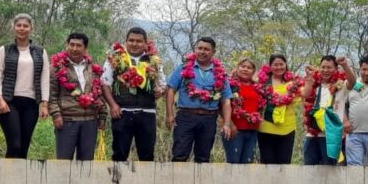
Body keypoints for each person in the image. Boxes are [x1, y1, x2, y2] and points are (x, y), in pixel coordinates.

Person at [101, 27, 166, 162]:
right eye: (131, 40)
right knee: (119, 154)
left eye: (139, 41)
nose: (134, 44)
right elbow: (105, 83)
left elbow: (162, 84)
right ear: (126, 42)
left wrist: (160, 91)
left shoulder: (153, 60)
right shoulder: (114, 58)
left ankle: (145, 177)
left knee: (147, 155)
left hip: (147, 112)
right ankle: (117, 176)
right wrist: (112, 105)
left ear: (146, 43)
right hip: (122, 112)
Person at [0, 14, 50, 159]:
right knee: (15, 145)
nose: (22, 28)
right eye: (18, 25)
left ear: (31, 29)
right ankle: (7, 173)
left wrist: (45, 104)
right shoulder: (4, 50)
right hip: (9, 102)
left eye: (25, 26)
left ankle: (20, 174)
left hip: (31, 104)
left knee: (23, 148)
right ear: (13, 28)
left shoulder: (40, 52)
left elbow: (45, 78)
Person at [166, 36, 232, 163]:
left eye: (206, 49)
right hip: (185, 117)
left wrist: (227, 123)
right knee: (180, 154)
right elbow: (171, 90)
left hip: (209, 118)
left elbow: (226, 100)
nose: (202, 51)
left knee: (203, 157)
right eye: (199, 48)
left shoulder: (221, 73)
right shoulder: (183, 68)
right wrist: (169, 114)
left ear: (213, 52)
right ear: (195, 49)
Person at [49, 32, 105, 161]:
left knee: (86, 162)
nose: (74, 48)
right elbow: (52, 94)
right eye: (71, 44)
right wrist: (56, 114)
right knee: (64, 161)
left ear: (85, 48)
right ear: (67, 45)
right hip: (67, 120)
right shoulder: (56, 67)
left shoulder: (93, 68)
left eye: (78, 45)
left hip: (90, 120)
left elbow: (99, 93)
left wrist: (102, 115)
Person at [301, 55, 347, 166]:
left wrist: (345, 65)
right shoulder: (314, 84)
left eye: (329, 67)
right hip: (312, 134)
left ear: (336, 69)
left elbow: (353, 82)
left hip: (331, 136)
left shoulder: (341, 84)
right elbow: (305, 100)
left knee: (329, 169)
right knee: (309, 167)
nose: (325, 70)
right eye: (323, 67)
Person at [257, 54, 303, 165]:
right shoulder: (262, 82)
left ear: (286, 65)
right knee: (267, 163)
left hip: (287, 129)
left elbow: (305, 94)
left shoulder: (293, 83)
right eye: (275, 65)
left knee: (284, 163)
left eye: (281, 64)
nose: (279, 67)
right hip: (266, 129)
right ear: (270, 66)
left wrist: (310, 79)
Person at [225, 58, 261, 165]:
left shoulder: (258, 87)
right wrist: (230, 124)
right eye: (243, 66)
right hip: (235, 130)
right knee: (234, 163)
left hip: (252, 130)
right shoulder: (230, 84)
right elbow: (222, 106)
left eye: (249, 68)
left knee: (247, 164)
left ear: (253, 71)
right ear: (237, 68)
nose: (245, 69)